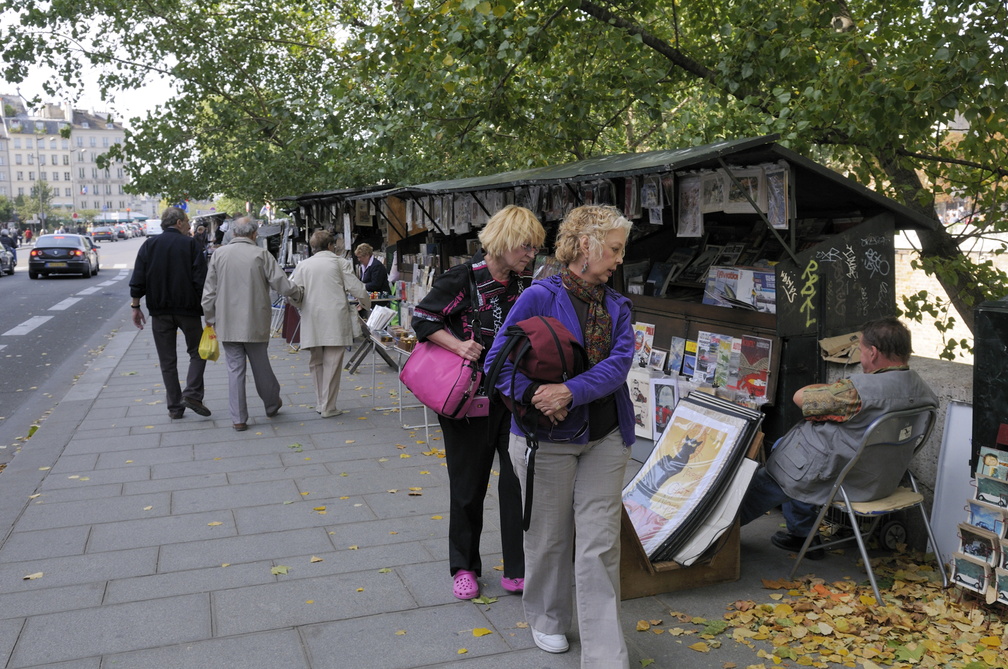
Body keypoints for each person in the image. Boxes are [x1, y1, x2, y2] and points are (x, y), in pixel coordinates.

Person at [484, 204, 635, 665]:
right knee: (549, 538)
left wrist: (569, 391)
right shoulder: (538, 297)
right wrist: (536, 395)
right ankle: (548, 618)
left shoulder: (618, 306)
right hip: (544, 440)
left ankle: (606, 652)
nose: (618, 260)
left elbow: (618, 365)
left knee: (600, 544)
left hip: (605, 436)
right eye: (613, 249)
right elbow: (496, 365)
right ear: (585, 246)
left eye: (620, 250)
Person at [412, 205, 545, 601]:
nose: (531, 254)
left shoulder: (523, 285)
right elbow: (422, 319)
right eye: (526, 246)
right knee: (468, 486)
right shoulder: (462, 278)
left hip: (513, 398)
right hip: (468, 402)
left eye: (536, 247)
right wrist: (459, 345)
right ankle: (464, 567)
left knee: (516, 481)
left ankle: (518, 569)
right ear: (503, 241)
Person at [738, 316, 938, 557]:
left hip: (845, 479)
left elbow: (801, 398)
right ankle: (802, 533)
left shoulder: (856, 393)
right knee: (788, 449)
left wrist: (833, 388)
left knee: (780, 464)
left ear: (873, 352)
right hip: (883, 479)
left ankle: (719, 530)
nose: (861, 355)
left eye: (861, 350)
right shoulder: (924, 390)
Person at [201, 216, 303, 432]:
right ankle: (271, 404)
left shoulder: (219, 254)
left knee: (234, 369)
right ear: (254, 234)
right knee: (261, 365)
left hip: (227, 322)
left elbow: (209, 291)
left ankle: (238, 418)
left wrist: (209, 317)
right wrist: (298, 293)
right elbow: (281, 284)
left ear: (234, 233)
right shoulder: (261, 254)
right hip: (255, 320)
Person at [129, 207, 212, 419]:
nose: (188, 226)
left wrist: (136, 307)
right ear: (178, 223)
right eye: (186, 221)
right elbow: (200, 280)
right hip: (188, 310)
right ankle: (192, 393)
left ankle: (175, 408)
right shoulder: (191, 244)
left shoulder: (149, 245)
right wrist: (208, 309)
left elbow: (138, 279)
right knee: (198, 351)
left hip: (159, 311)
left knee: (167, 360)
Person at [288, 230, 371, 417]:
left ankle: (320, 402)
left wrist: (300, 305)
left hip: (311, 316)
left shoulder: (304, 265)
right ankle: (328, 406)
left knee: (316, 361)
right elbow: (356, 288)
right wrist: (367, 304)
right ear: (330, 246)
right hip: (335, 316)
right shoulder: (340, 263)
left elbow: (292, 290)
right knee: (333, 362)